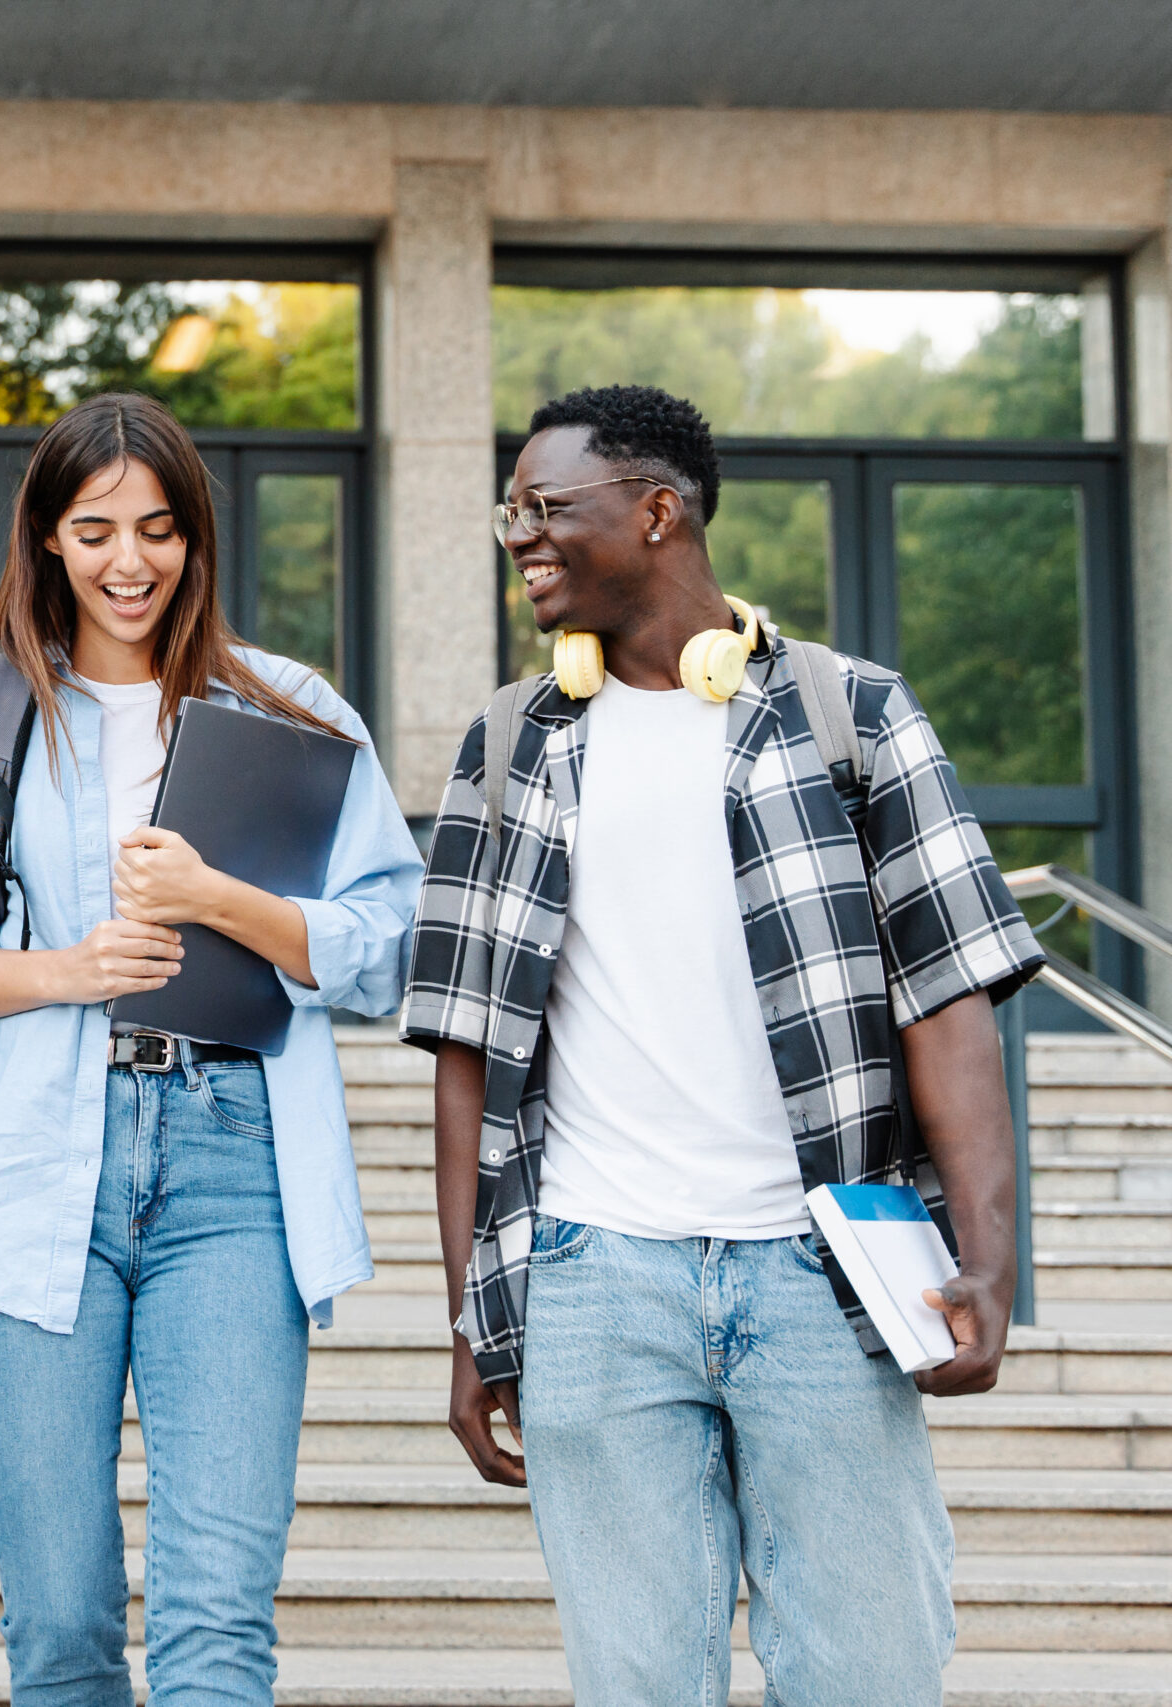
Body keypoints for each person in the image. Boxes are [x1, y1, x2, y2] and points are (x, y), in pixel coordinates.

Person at [403, 384, 1044, 1706]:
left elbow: (949, 995)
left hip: (825, 1278)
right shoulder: (511, 744)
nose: (519, 533)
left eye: (546, 506)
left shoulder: (848, 713)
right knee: (636, 1688)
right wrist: (474, 1320)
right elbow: (466, 1047)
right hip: (590, 1278)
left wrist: (986, 1259)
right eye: (508, 509)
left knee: (868, 1676)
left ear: (657, 511)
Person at [0, 392, 420, 1706]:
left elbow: (390, 947)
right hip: (28, 1159)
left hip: (235, 1162)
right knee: (60, 1622)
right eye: (98, 529)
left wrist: (217, 901)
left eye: (161, 530)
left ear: (197, 540)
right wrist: (66, 972)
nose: (132, 561)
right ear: (48, 541)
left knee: (216, 1623)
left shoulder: (291, 708)